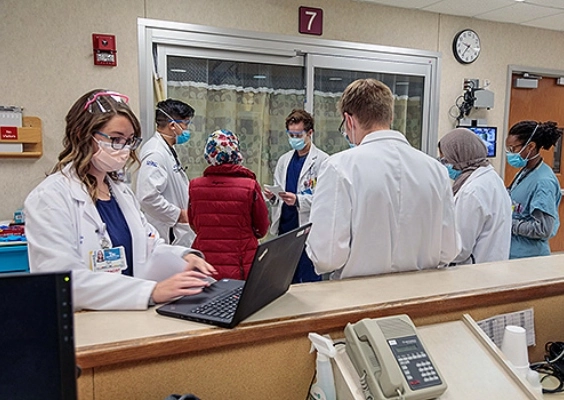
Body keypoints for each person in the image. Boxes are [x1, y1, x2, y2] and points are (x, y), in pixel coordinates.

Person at [24, 89, 217, 311]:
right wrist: (150, 292)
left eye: (129, 141)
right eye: (116, 139)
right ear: (81, 134)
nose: (124, 150)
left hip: (129, 317)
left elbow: (149, 246)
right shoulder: (50, 198)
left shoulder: (121, 193)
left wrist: (184, 257)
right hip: (84, 326)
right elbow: (63, 281)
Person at [306, 79, 460, 279]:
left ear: (349, 120)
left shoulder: (339, 168)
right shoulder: (435, 170)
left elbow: (326, 257)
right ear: (390, 116)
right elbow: (449, 249)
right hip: (420, 300)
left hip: (359, 300)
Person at [188, 129, 270, 280]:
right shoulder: (249, 186)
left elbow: (194, 224)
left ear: (209, 153)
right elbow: (262, 227)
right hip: (242, 263)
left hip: (205, 264)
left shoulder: (195, 186)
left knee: (211, 302)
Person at [263, 109, 329, 283]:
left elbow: (325, 199)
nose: (294, 139)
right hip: (286, 229)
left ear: (310, 133)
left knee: (309, 280)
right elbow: (280, 192)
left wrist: (298, 200)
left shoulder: (323, 161)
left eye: (298, 135)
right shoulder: (284, 160)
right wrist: (273, 197)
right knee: (285, 280)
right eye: (290, 134)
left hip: (308, 231)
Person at [438, 128, 512, 264]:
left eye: (446, 160)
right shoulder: (491, 178)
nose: (445, 165)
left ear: (460, 156)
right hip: (493, 267)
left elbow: (459, 249)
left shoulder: (472, 192)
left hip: (475, 272)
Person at [135, 99, 196, 246]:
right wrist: (178, 215)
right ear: (172, 125)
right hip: (167, 234)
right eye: (186, 124)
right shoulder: (155, 153)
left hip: (176, 232)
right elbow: (147, 197)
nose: (187, 129)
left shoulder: (166, 149)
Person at [505, 120, 562, 258]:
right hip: (514, 252)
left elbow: (543, 229)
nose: (510, 153)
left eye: (513, 149)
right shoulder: (526, 171)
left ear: (530, 146)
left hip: (529, 257)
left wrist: (508, 223)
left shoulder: (543, 182)